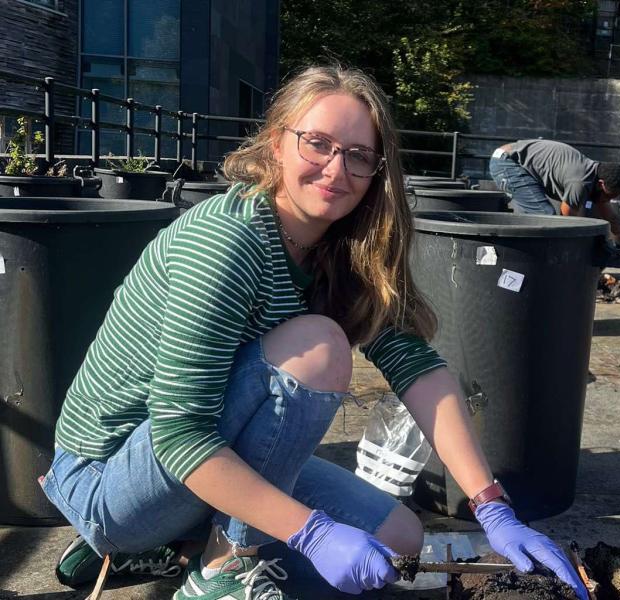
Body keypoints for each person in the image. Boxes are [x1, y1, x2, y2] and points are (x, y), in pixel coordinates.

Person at [42, 65, 589, 600]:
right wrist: (312, 533)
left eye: (358, 155)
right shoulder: (226, 243)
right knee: (319, 348)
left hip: (200, 455)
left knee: (401, 540)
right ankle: (217, 565)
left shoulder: (348, 249)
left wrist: (491, 505)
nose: (336, 169)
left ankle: (174, 543)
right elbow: (180, 434)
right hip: (112, 475)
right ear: (276, 143)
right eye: (317, 143)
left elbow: (416, 367)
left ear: (378, 169)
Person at [489, 139, 620, 242]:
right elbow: (569, 220)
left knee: (545, 219)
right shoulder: (580, 181)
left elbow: (607, 212)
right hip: (506, 163)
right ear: (601, 184)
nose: (607, 201)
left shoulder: (596, 176)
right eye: (609, 196)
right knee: (545, 217)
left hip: (513, 159)